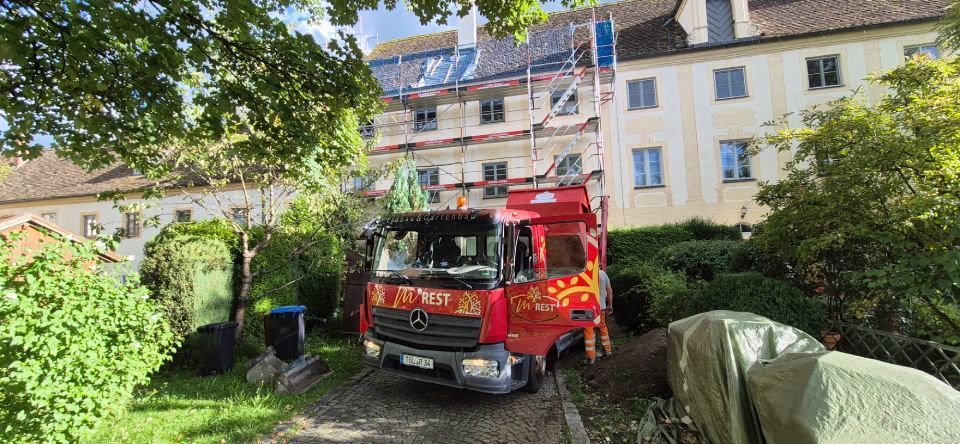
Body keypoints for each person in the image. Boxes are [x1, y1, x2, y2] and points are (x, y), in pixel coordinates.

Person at [584, 268, 613, 365]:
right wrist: (610, 305)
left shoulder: (585, 274)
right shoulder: (603, 274)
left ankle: (591, 358)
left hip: (589, 308)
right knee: (603, 328)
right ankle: (608, 351)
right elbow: (609, 291)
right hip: (601, 308)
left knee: (589, 330)